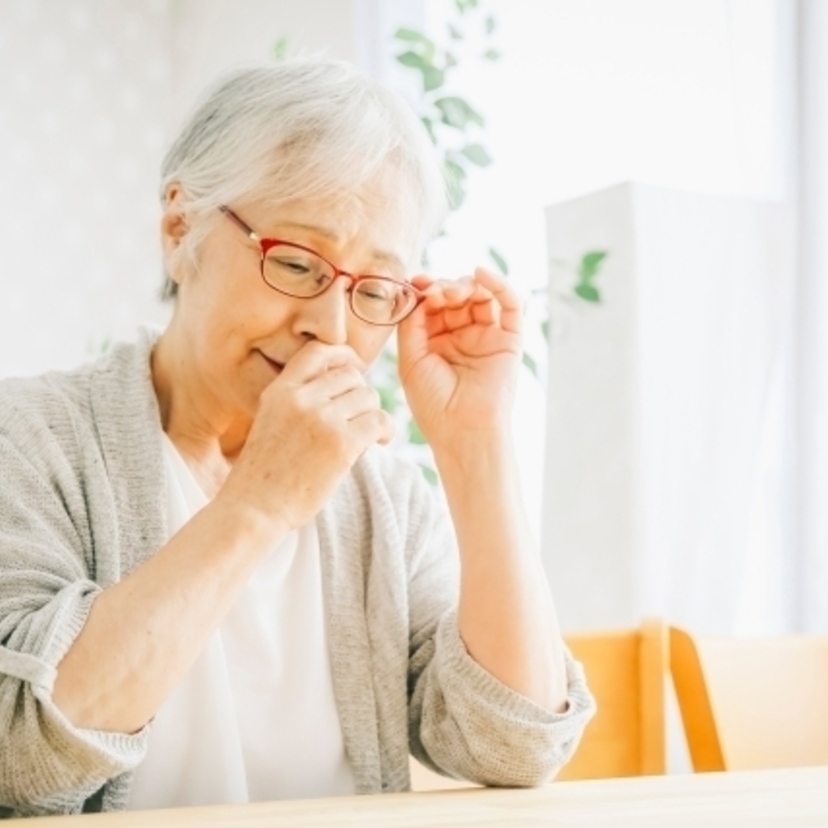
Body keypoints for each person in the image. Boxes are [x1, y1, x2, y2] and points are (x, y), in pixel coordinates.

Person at [0, 58, 594, 817]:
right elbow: (18, 757)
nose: (332, 327)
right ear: (181, 228)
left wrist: (475, 447)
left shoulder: (385, 500)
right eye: (295, 262)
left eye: (375, 289)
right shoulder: (31, 441)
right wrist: (257, 504)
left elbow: (513, 744)